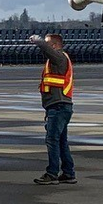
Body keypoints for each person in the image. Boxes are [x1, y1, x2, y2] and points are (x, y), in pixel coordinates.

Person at [29, 32, 76, 185]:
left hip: (58, 106)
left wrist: (37, 40)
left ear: (54, 46)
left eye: (49, 44)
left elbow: (46, 49)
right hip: (59, 106)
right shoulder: (57, 61)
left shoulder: (59, 58)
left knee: (52, 140)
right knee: (61, 140)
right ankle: (68, 173)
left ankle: (52, 173)